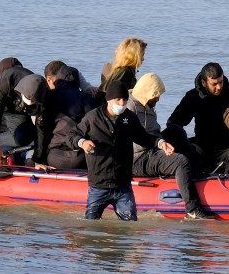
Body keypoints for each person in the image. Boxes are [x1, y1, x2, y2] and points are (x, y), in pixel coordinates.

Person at [68, 82, 169, 220]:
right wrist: (82, 142)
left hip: (123, 186)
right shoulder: (92, 118)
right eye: (118, 99)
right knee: (90, 226)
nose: (122, 103)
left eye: (125, 100)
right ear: (108, 100)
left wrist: (160, 143)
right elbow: (71, 136)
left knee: (130, 223)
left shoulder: (130, 118)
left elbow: (143, 138)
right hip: (98, 185)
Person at [128, 73, 216, 220]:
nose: (158, 99)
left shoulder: (147, 103)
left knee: (176, 130)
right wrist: (160, 146)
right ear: (147, 93)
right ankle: (192, 209)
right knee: (179, 161)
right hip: (138, 158)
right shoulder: (130, 109)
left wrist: (162, 143)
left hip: (155, 145)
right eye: (155, 96)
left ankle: (198, 171)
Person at [166, 62, 229, 174]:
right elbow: (173, 123)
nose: (219, 87)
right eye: (214, 84)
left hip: (228, 147)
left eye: (221, 82)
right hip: (202, 147)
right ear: (203, 82)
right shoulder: (193, 97)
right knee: (185, 150)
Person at [0, 67, 48, 169]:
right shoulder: (5, 82)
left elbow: (41, 128)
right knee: (20, 138)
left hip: (17, 114)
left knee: (25, 136)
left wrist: (38, 161)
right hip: (5, 110)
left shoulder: (43, 97)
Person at [38, 65, 97, 170]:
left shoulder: (48, 97)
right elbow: (94, 124)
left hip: (54, 157)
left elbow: (42, 129)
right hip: (80, 157)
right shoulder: (85, 97)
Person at [99, 37, 147, 104]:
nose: (143, 59)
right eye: (142, 55)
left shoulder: (120, 70)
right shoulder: (125, 72)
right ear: (134, 56)